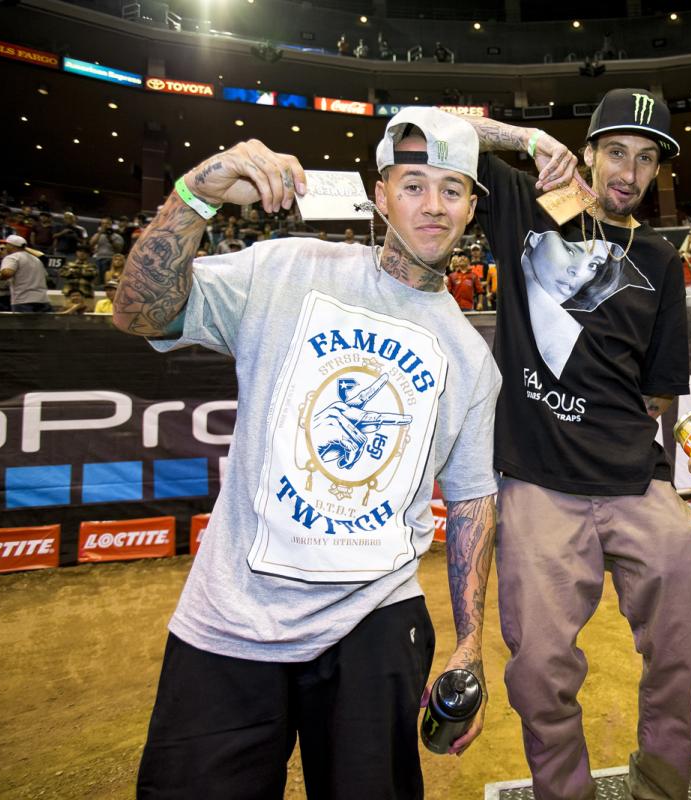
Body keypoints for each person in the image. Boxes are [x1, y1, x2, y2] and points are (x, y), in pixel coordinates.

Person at [115, 109, 501, 799]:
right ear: (379, 195)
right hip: (230, 616)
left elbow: (471, 500)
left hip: (374, 620)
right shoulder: (287, 266)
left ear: (472, 206)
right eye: (413, 184)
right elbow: (140, 313)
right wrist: (196, 193)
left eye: (452, 188)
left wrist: (470, 643)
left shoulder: (472, 358)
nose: (433, 206)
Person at [460, 89, 691, 800]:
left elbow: (658, 388)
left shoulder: (660, 259)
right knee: (538, 670)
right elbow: (428, 132)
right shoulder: (526, 206)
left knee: (680, 646)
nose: (629, 171)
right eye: (616, 152)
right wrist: (525, 138)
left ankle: (660, 788)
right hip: (538, 482)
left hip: (636, 480)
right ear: (590, 153)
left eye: (646, 159)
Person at [0, 235, 50, 312]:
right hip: (42, 300)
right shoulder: (36, 259)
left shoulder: (12, 257)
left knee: (24, 324)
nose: (5, 246)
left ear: (11, 246)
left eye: (7, 244)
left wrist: (0, 275)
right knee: (40, 324)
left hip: (23, 300)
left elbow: (7, 273)